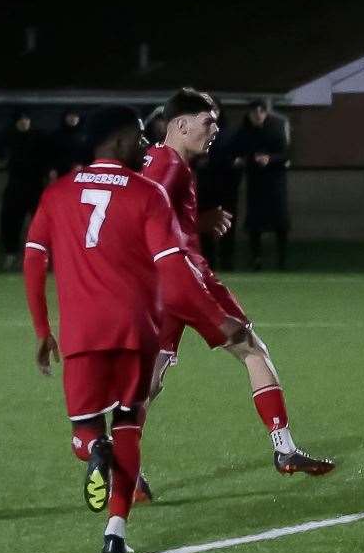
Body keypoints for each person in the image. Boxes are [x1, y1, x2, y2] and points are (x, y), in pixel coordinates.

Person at [22, 106, 242, 553]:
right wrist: (216, 318)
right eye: (140, 136)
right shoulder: (147, 195)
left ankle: (92, 450)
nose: (146, 145)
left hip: (81, 334)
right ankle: (115, 533)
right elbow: (175, 272)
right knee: (129, 426)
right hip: (137, 333)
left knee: (84, 434)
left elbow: (33, 258)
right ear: (119, 139)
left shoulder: (58, 193)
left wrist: (44, 328)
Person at [141, 88, 334, 475]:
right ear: (181, 124)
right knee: (251, 348)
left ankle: (124, 470)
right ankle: (284, 448)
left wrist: (197, 221)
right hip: (186, 277)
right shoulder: (171, 166)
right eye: (208, 121)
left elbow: (152, 218)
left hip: (156, 283)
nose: (215, 129)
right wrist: (199, 227)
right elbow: (146, 217)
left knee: (151, 377)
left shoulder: (153, 159)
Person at [238, 99, 292, 271]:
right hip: (256, 182)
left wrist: (270, 159)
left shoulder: (276, 129)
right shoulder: (245, 131)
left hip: (275, 181)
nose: (258, 115)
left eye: (261, 111)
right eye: (255, 112)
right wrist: (251, 160)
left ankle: (282, 259)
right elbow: (240, 153)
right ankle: (256, 259)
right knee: (255, 223)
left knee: (280, 221)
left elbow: (285, 154)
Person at [0, 111, 52, 270]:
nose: (24, 123)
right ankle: (11, 253)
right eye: (21, 120)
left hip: (36, 186)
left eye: (27, 120)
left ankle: (41, 256)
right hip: (16, 185)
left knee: (39, 222)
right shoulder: (9, 137)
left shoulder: (39, 137)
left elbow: (49, 154)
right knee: (10, 219)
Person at [202, 106, 246, 270]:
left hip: (227, 187)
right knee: (207, 224)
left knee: (227, 224)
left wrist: (232, 164)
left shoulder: (230, 134)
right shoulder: (199, 133)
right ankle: (208, 261)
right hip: (206, 187)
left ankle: (228, 261)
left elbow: (239, 159)